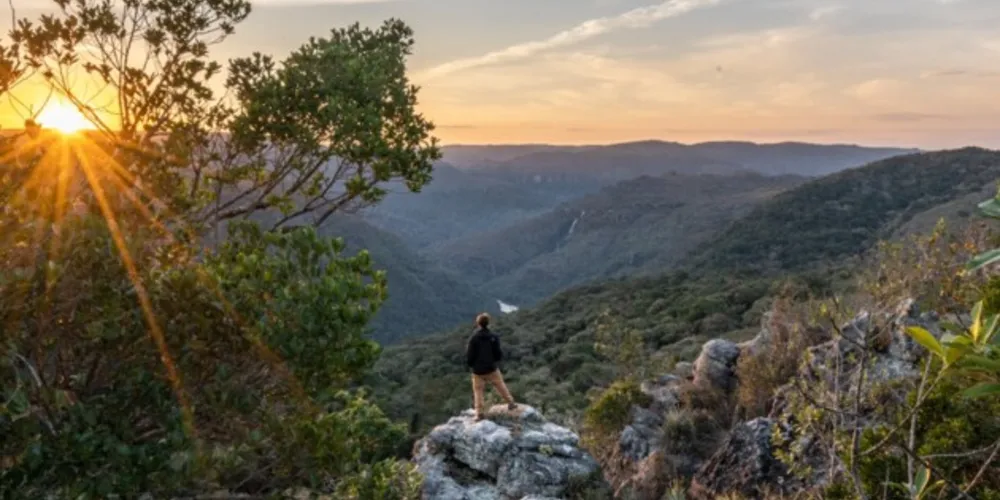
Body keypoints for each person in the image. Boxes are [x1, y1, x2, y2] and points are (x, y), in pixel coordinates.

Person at [466, 312, 517, 420]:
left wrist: (471, 365)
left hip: (478, 370)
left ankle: (479, 413)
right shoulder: (493, 337)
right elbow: (498, 353)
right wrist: (494, 361)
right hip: (491, 368)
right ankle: (511, 402)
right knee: (500, 385)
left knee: (478, 391)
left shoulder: (474, 338)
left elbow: (470, 355)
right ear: (488, 323)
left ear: (478, 323)